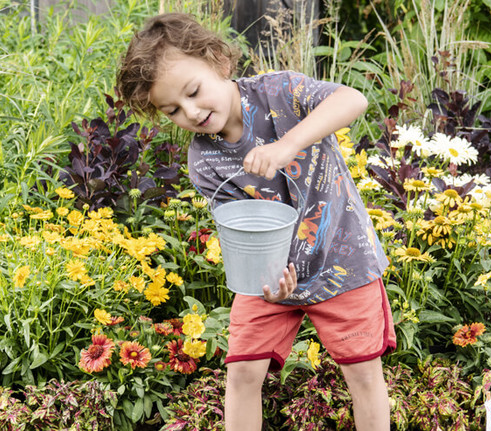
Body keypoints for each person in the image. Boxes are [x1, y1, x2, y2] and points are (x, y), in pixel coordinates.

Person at [117, 13, 397, 430]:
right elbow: (242, 233)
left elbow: (353, 100)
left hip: (341, 260)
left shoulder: (280, 91)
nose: (191, 112)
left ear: (219, 62)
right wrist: (270, 280)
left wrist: (287, 145)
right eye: (173, 109)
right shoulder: (205, 161)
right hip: (267, 279)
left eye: (194, 92)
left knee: (361, 372)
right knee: (244, 373)